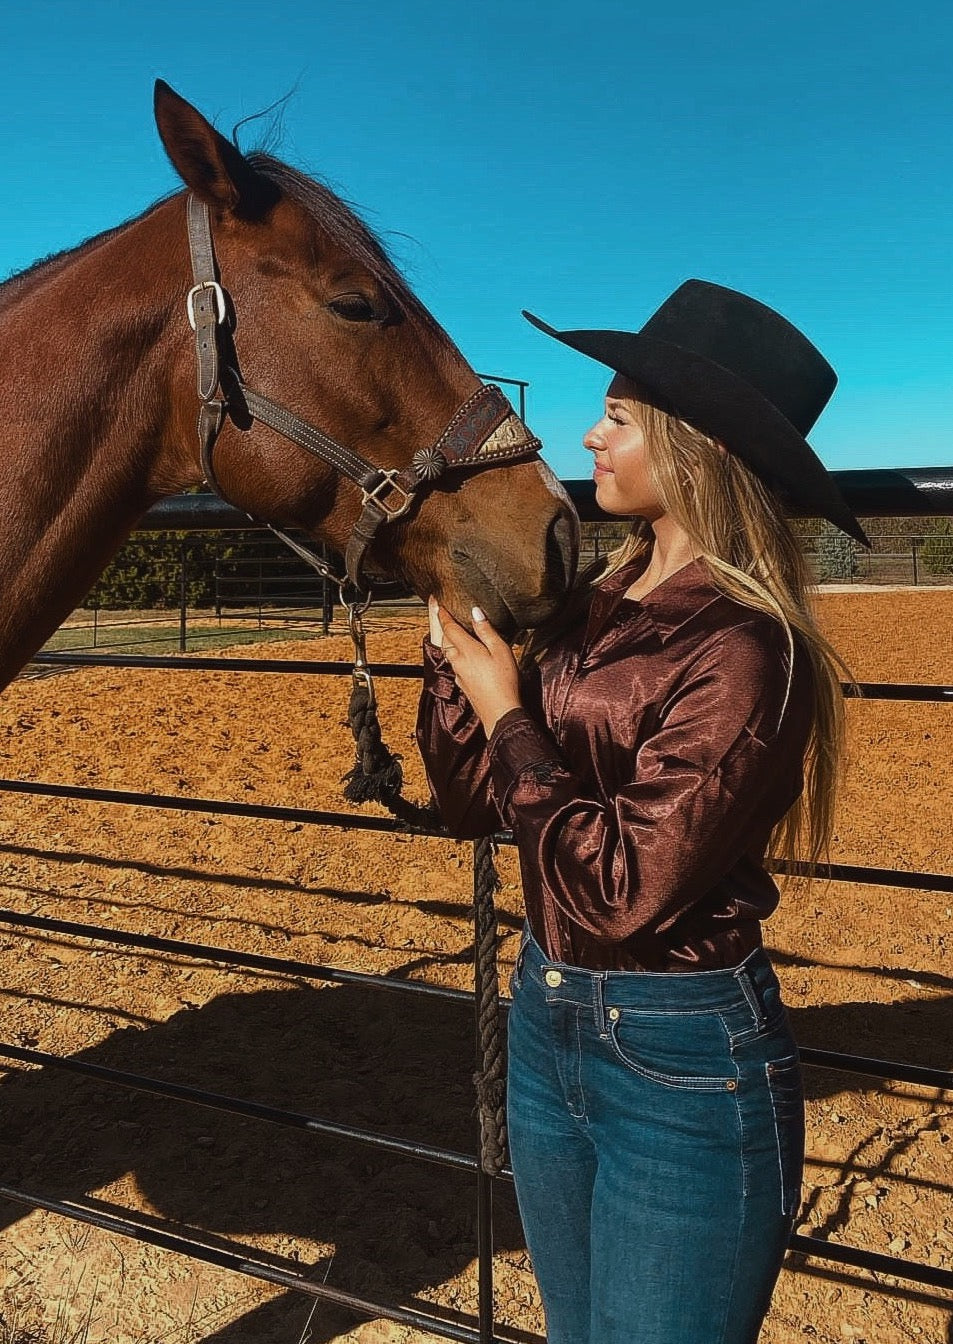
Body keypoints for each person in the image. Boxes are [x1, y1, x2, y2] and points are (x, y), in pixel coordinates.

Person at [415, 280, 867, 1344]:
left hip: (683, 1058)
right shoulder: (592, 608)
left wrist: (504, 710)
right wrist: (454, 652)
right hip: (546, 1010)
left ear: (694, 446)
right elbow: (472, 800)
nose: (586, 435)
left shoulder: (747, 652)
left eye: (615, 416)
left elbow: (618, 892)